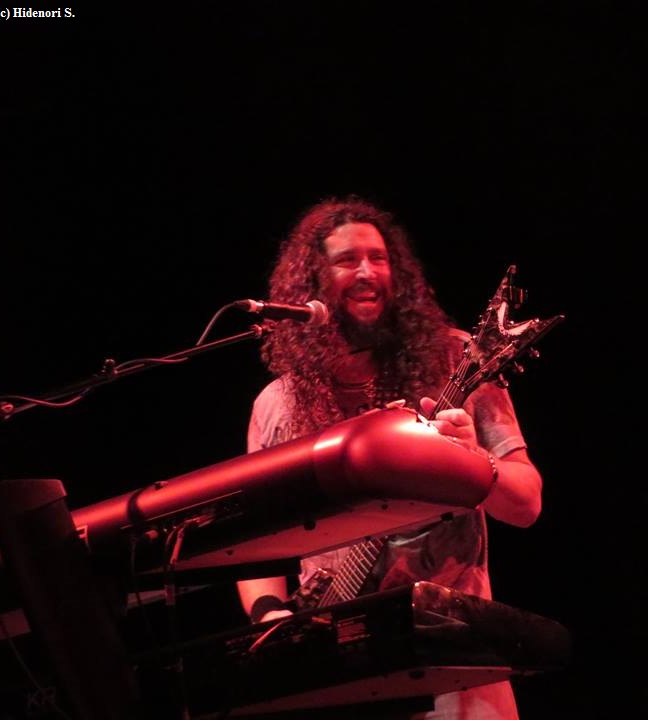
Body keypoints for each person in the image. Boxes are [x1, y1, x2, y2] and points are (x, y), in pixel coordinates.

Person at [237, 196, 542, 719]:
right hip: (335, 668)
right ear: (310, 282)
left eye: (378, 258)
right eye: (347, 260)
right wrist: (273, 623)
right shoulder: (276, 404)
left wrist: (473, 461)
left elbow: (527, 504)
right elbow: (253, 544)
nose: (367, 272)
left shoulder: (455, 361)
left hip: (452, 661)